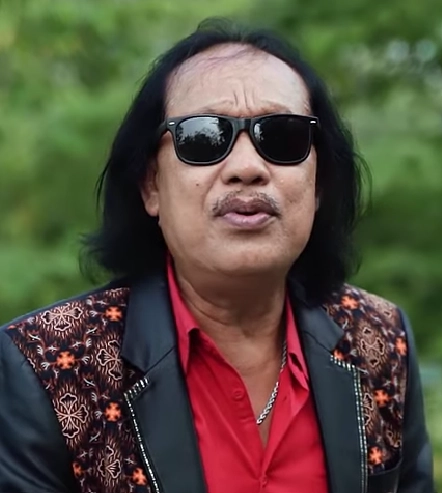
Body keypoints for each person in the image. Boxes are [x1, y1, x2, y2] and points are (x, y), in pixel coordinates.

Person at [0, 18, 434, 493]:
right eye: (203, 137)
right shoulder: (45, 365)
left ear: (318, 186)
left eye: (282, 137)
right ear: (151, 186)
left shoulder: (379, 341)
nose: (247, 168)